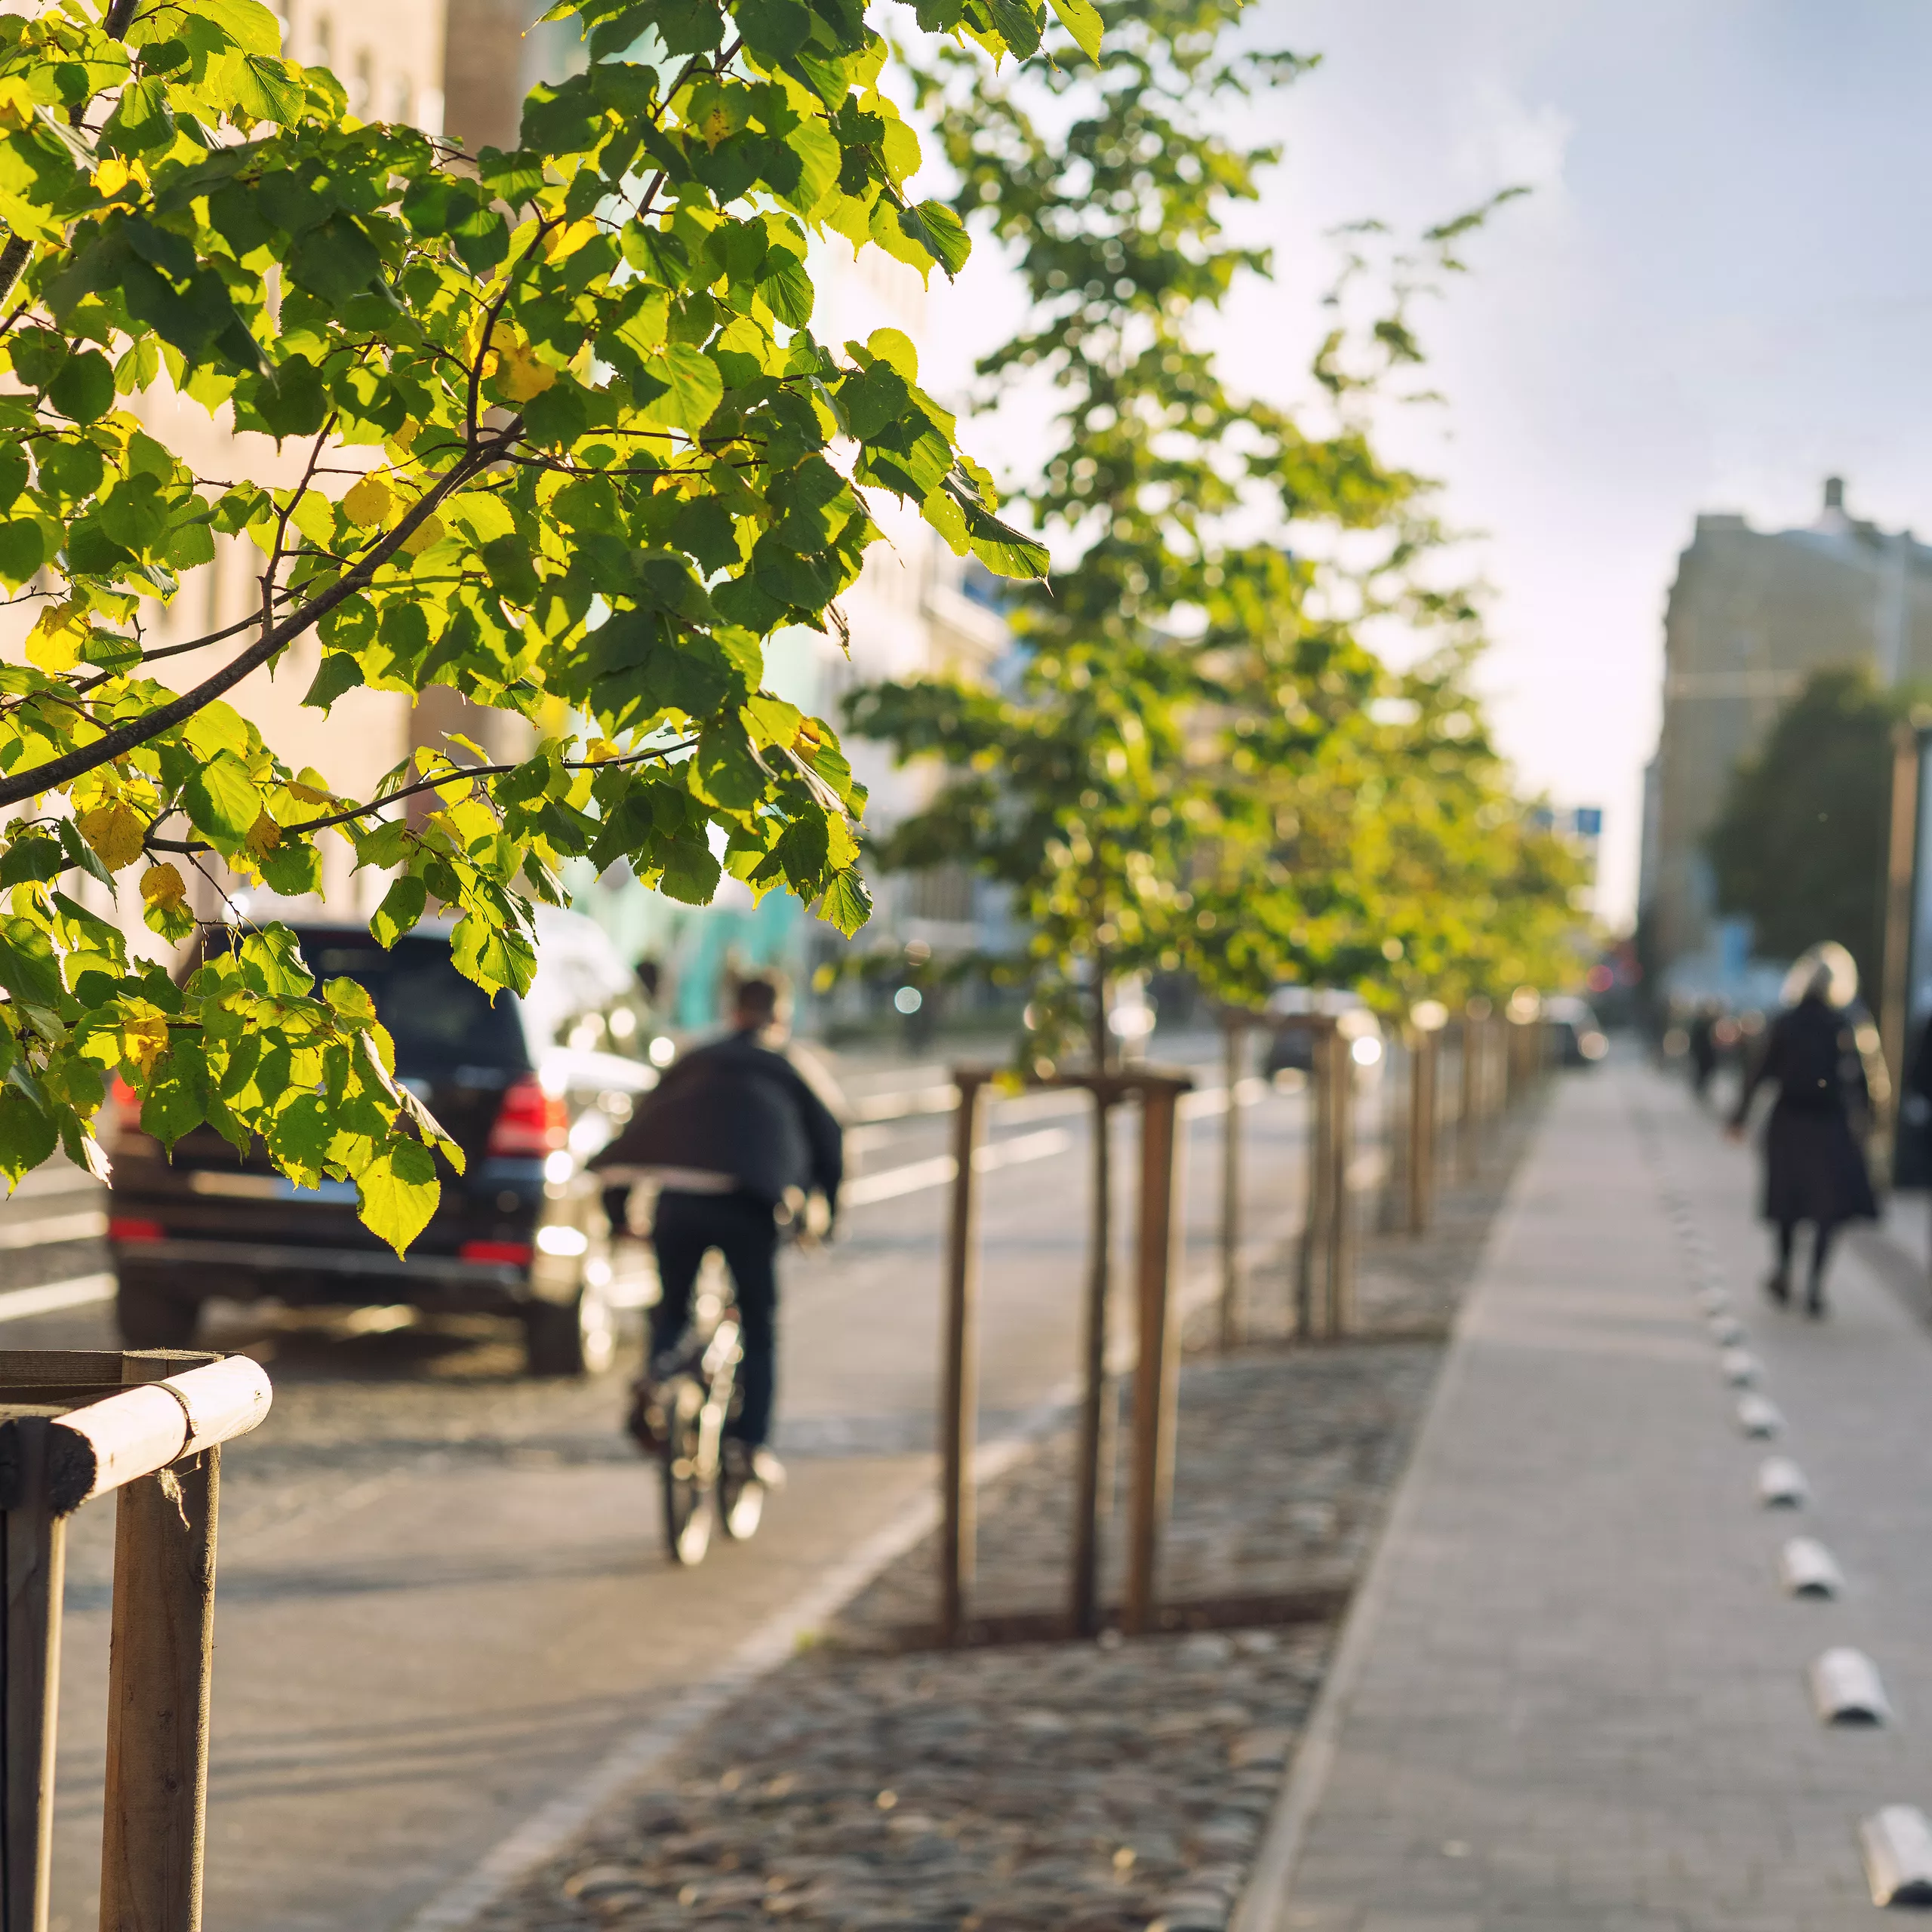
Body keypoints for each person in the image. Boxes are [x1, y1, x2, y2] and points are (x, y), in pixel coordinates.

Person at [592, 973, 844, 1483]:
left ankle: (660, 1370)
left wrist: (621, 1217)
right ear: (781, 1017)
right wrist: (827, 1215)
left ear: (732, 1013)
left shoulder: (692, 1061)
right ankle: (751, 1447)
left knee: (672, 1307)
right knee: (759, 1325)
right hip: (749, 1205)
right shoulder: (790, 1066)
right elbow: (831, 1142)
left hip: (678, 1202)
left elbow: (639, 1132)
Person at [1726, 943, 1878, 1317]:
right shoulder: (1845, 1025)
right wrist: (1870, 1119)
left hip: (1789, 1121)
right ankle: (1814, 1286)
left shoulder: (1785, 1022)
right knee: (1828, 1209)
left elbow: (1759, 1073)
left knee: (1787, 1204)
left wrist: (1739, 1117)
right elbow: (1864, 1079)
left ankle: (1782, 1271)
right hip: (1830, 1123)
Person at [1687, 1001, 1721, 1103]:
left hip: (1708, 1054)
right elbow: (1696, 1039)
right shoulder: (1701, 1025)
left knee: (1706, 1073)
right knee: (1700, 1072)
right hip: (1702, 1053)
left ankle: (1701, 1089)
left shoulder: (1714, 1025)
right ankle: (1698, 1089)